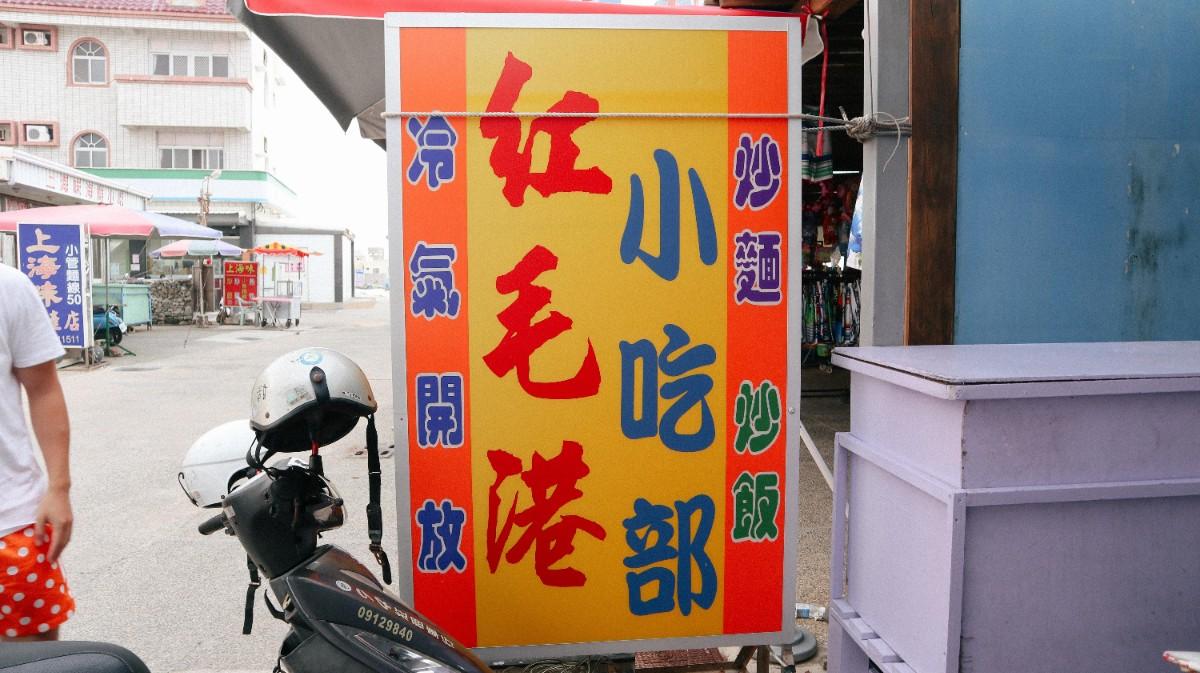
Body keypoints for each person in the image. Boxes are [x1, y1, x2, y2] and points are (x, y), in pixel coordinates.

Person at [0, 263, 75, 641]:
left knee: (32, 661)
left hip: (9, 523)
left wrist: (59, 487)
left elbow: (43, 389)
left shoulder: (8, 287)